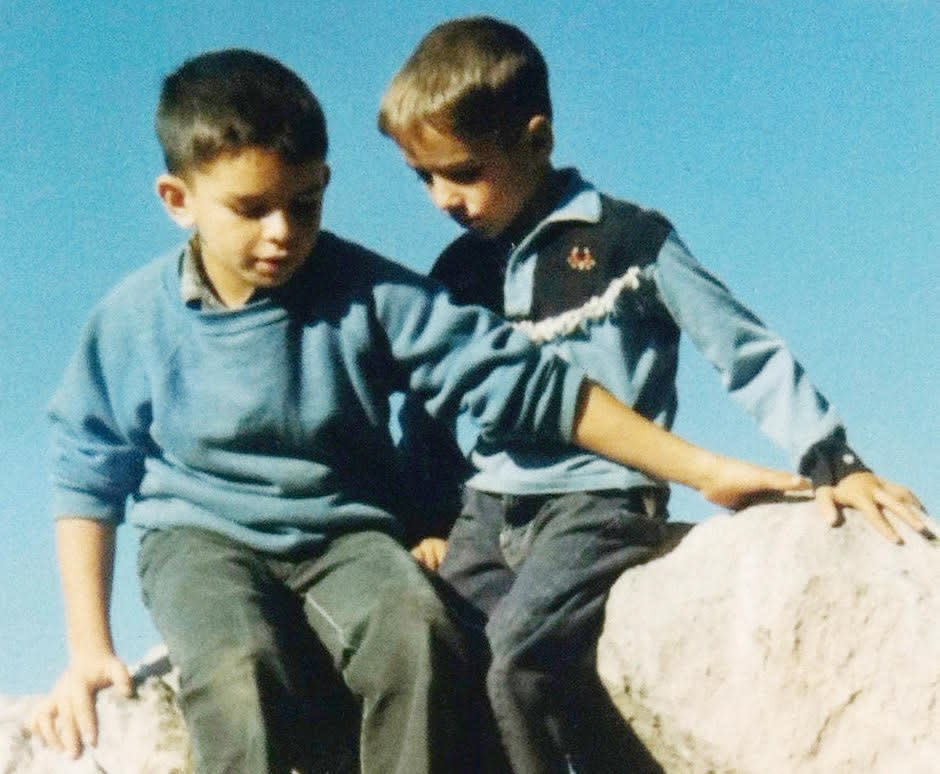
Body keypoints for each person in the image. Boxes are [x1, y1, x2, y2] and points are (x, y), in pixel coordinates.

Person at [29, 48, 809, 774]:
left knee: (424, 635)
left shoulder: (371, 294)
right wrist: (89, 646)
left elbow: (530, 386)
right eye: (251, 207)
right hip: (201, 540)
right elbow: (86, 472)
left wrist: (709, 470)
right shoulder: (133, 319)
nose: (283, 232)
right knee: (238, 671)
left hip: (344, 533)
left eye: (304, 203)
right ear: (177, 200)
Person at [378, 16, 932, 774]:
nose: (444, 198)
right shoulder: (457, 272)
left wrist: (834, 460)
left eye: (464, 172)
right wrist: (426, 518)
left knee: (517, 659)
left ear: (535, 141)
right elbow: (430, 408)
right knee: (445, 663)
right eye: (424, 177)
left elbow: (740, 348)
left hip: (598, 503)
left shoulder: (627, 240)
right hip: (486, 508)